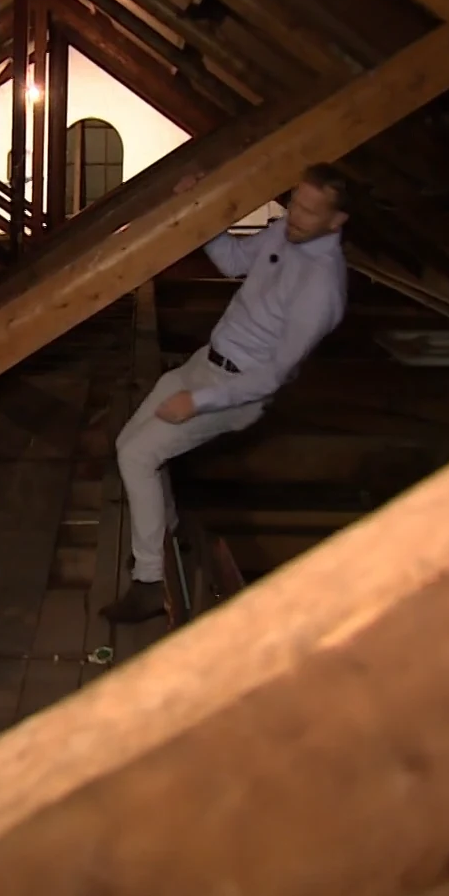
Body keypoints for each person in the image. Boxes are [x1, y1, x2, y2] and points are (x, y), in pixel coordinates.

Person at [101, 162, 351, 623]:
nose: (295, 216)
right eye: (295, 202)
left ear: (337, 222)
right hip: (206, 361)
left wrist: (197, 403)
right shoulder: (286, 233)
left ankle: (151, 581)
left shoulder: (322, 289)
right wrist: (200, 212)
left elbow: (274, 374)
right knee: (128, 447)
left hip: (235, 392)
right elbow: (234, 261)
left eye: (310, 212)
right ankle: (161, 536)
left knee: (137, 457)